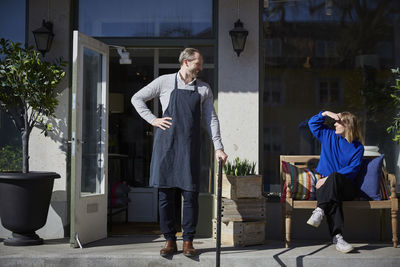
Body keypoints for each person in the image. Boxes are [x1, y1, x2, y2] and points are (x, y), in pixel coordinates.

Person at [131, 48, 228, 257]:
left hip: (190, 148)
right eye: (198, 64)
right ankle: (169, 240)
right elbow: (137, 98)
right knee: (165, 196)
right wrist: (153, 119)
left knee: (190, 196)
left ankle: (188, 241)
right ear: (186, 62)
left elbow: (211, 119)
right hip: (166, 147)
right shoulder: (164, 82)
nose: (200, 68)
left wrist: (218, 147)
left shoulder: (203, 89)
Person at [306, 111, 364, 253]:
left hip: (347, 187)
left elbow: (353, 169)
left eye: (338, 122)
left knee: (334, 178)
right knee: (333, 196)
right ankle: (338, 238)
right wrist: (325, 113)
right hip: (328, 189)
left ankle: (320, 209)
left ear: (347, 125)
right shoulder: (328, 135)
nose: (335, 124)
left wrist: (327, 178)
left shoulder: (358, 147)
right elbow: (312, 123)